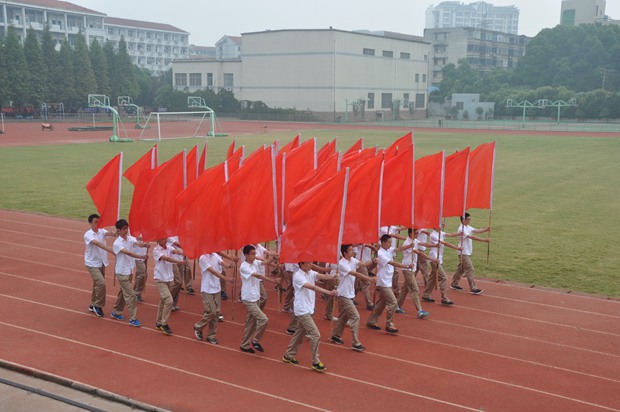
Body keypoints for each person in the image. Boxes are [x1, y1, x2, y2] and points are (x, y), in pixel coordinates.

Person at [283, 261, 337, 372]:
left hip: (309, 308)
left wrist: (333, 276)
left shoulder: (310, 272)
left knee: (299, 334)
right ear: (301, 264)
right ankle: (316, 361)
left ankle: (288, 355)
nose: (310, 265)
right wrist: (329, 292)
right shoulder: (298, 276)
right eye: (308, 263)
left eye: (311, 263)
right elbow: (313, 287)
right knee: (315, 335)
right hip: (302, 310)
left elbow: (321, 275)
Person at [330, 244, 376, 352]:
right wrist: (369, 278)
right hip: (343, 295)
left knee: (343, 317)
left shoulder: (352, 260)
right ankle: (355, 342)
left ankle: (336, 335)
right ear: (344, 253)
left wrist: (374, 261)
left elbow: (363, 264)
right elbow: (355, 273)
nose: (353, 252)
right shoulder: (342, 264)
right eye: (350, 250)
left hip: (349, 294)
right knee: (355, 317)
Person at [366, 234, 413, 334]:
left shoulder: (389, 250)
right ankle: (389, 324)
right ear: (383, 243)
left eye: (391, 242)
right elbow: (392, 263)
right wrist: (407, 266)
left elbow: (398, 249)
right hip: (383, 282)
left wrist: (409, 246)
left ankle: (371, 321)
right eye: (388, 242)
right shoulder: (381, 253)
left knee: (381, 304)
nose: (390, 244)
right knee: (393, 303)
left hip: (387, 281)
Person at [239, 245, 279, 354]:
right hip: (248, 298)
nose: (254, 256)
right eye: (251, 254)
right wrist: (273, 281)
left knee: (250, 323)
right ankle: (256, 340)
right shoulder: (244, 266)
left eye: (254, 254)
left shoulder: (255, 263)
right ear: (246, 255)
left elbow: (266, 262)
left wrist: (275, 256)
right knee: (263, 319)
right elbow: (258, 276)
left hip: (255, 296)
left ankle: (244, 344)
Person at [110, 219, 148, 327]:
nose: (126, 231)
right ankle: (133, 318)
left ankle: (116, 311)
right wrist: (142, 256)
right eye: (123, 229)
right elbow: (129, 253)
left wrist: (145, 245)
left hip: (129, 270)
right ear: (118, 230)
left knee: (123, 293)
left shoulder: (130, 238)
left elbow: (137, 243)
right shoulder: (117, 243)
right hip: (121, 272)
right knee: (130, 295)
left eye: (127, 228)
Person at [395, 229, 439, 319]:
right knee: (415, 289)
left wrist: (435, 245)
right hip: (407, 269)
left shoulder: (414, 241)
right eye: (415, 233)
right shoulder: (408, 243)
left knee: (405, 289)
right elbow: (420, 253)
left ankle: (397, 306)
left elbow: (424, 244)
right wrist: (433, 259)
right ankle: (420, 311)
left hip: (412, 268)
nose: (417, 234)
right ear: (410, 233)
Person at [194, 252, 235, 344]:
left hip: (216, 288)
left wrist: (230, 264)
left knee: (216, 313)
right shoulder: (203, 258)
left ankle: (211, 335)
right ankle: (198, 326)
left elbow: (224, 264)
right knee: (212, 312)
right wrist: (227, 279)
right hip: (207, 288)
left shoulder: (215, 255)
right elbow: (213, 272)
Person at [83, 214, 116, 317]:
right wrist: (110, 250)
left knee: (97, 284)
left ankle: (93, 304)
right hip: (92, 263)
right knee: (101, 283)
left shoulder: (101, 230)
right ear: (90, 223)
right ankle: (98, 305)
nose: (97, 224)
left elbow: (110, 233)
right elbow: (97, 244)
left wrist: (116, 232)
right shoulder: (88, 235)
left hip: (101, 262)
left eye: (98, 222)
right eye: (95, 222)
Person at [451, 212, 491, 295]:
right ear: (463, 220)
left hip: (466, 252)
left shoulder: (467, 227)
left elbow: (476, 230)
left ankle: (454, 284)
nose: (469, 220)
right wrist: (484, 240)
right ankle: (473, 288)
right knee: (470, 269)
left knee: (461, 269)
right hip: (463, 252)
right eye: (468, 219)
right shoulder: (461, 229)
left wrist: (486, 230)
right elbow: (472, 236)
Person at [152, 238, 186, 335]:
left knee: (164, 300)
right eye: (162, 238)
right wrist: (180, 262)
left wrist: (186, 252)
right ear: (158, 240)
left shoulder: (169, 248)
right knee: (169, 300)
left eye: (165, 238)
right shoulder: (156, 250)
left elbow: (177, 251)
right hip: (160, 279)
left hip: (168, 278)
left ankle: (158, 322)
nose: (165, 240)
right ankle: (164, 323)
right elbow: (166, 258)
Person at [423, 224, 460, 305]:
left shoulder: (441, 233)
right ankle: (444, 298)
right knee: (443, 277)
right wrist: (457, 248)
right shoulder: (433, 235)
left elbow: (449, 234)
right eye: (439, 225)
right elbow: (445, 243)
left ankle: (426, 295)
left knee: (432, 278)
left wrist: (459, 233)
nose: (441, 226)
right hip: (434, 259)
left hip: (438, 259)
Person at [133, 236, 150, 302]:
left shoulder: (145, 229)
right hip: (137, 256)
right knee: (143, 274)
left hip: (144, 256)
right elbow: (136, 239)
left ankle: (135, 291)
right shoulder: (133, 230)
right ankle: (137, 293)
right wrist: (145, 243)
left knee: (140, 274)